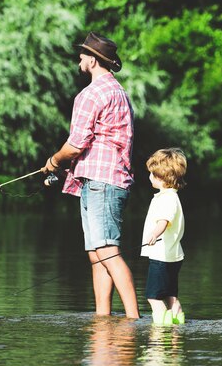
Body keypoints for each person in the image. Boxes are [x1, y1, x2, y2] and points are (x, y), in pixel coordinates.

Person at [43, 32, 139, 319]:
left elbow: (74, 146)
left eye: (83, 54)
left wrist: (52, 162)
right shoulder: (119, 91)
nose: (80, 58)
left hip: (101, 182)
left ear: (94, 60)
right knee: (97, 254)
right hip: (104, 180)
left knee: (107, 251)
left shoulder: (91, 94)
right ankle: (102, 318)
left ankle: (134, 319)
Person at [140, 148, 187, 325]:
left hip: (161, 256)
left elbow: (164, 221)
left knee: (153, 297)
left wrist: (154, 234)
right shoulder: (172, 197)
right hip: (173, 256)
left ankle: (160, 332)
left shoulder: (166, 198)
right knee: (170, 296)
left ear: (161, 177)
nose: (150, 177)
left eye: (152, 174)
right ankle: (177, 326)